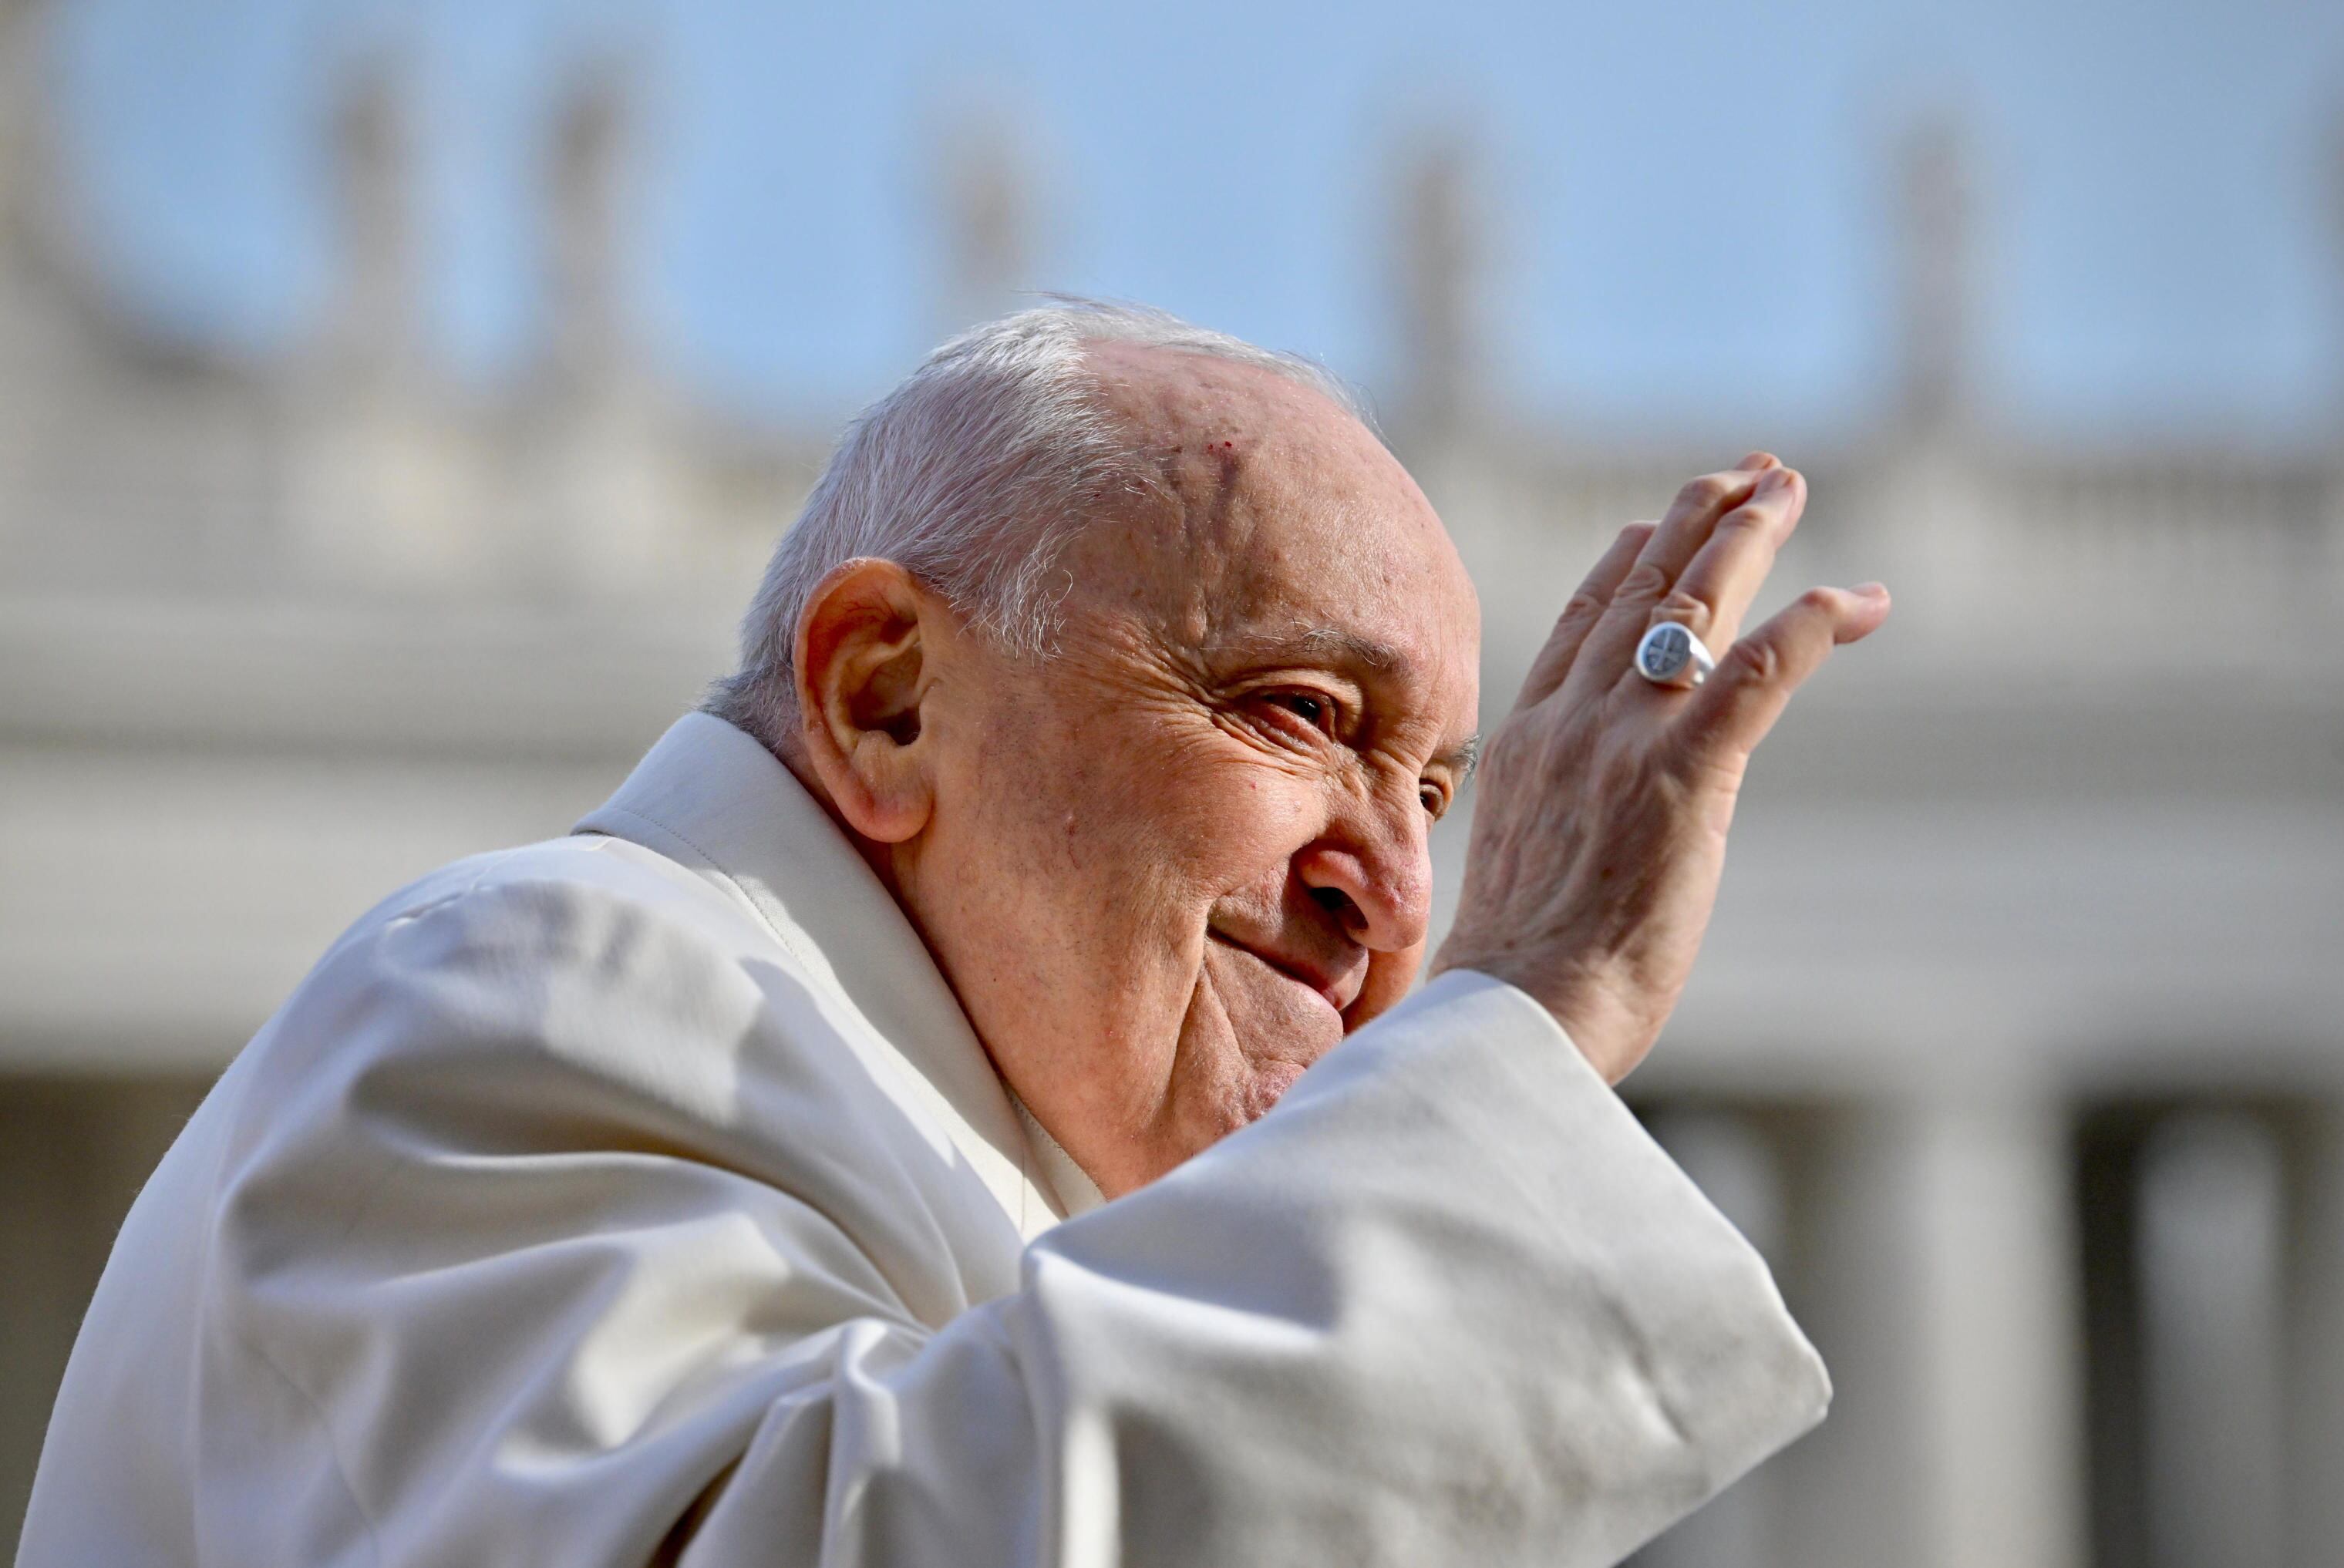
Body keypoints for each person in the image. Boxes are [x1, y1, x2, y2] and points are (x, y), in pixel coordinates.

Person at [19, 300, 1888, 1567]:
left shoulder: (1026, 1202)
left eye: (1439, 795)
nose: (1396, 896)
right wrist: (1538, 1006)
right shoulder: (538, 979)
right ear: (888, 696)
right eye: (1306, 716)